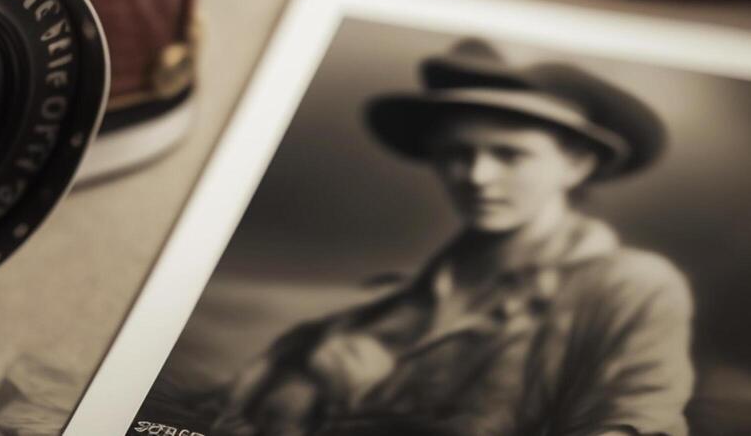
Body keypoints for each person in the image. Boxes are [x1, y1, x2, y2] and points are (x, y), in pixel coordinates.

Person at [214, 39, 695, 436]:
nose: (477, 176)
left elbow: (639, 419)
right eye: (456, 153)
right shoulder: (390, 305)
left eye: (510, 155)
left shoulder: (632, 287)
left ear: (577, 164)